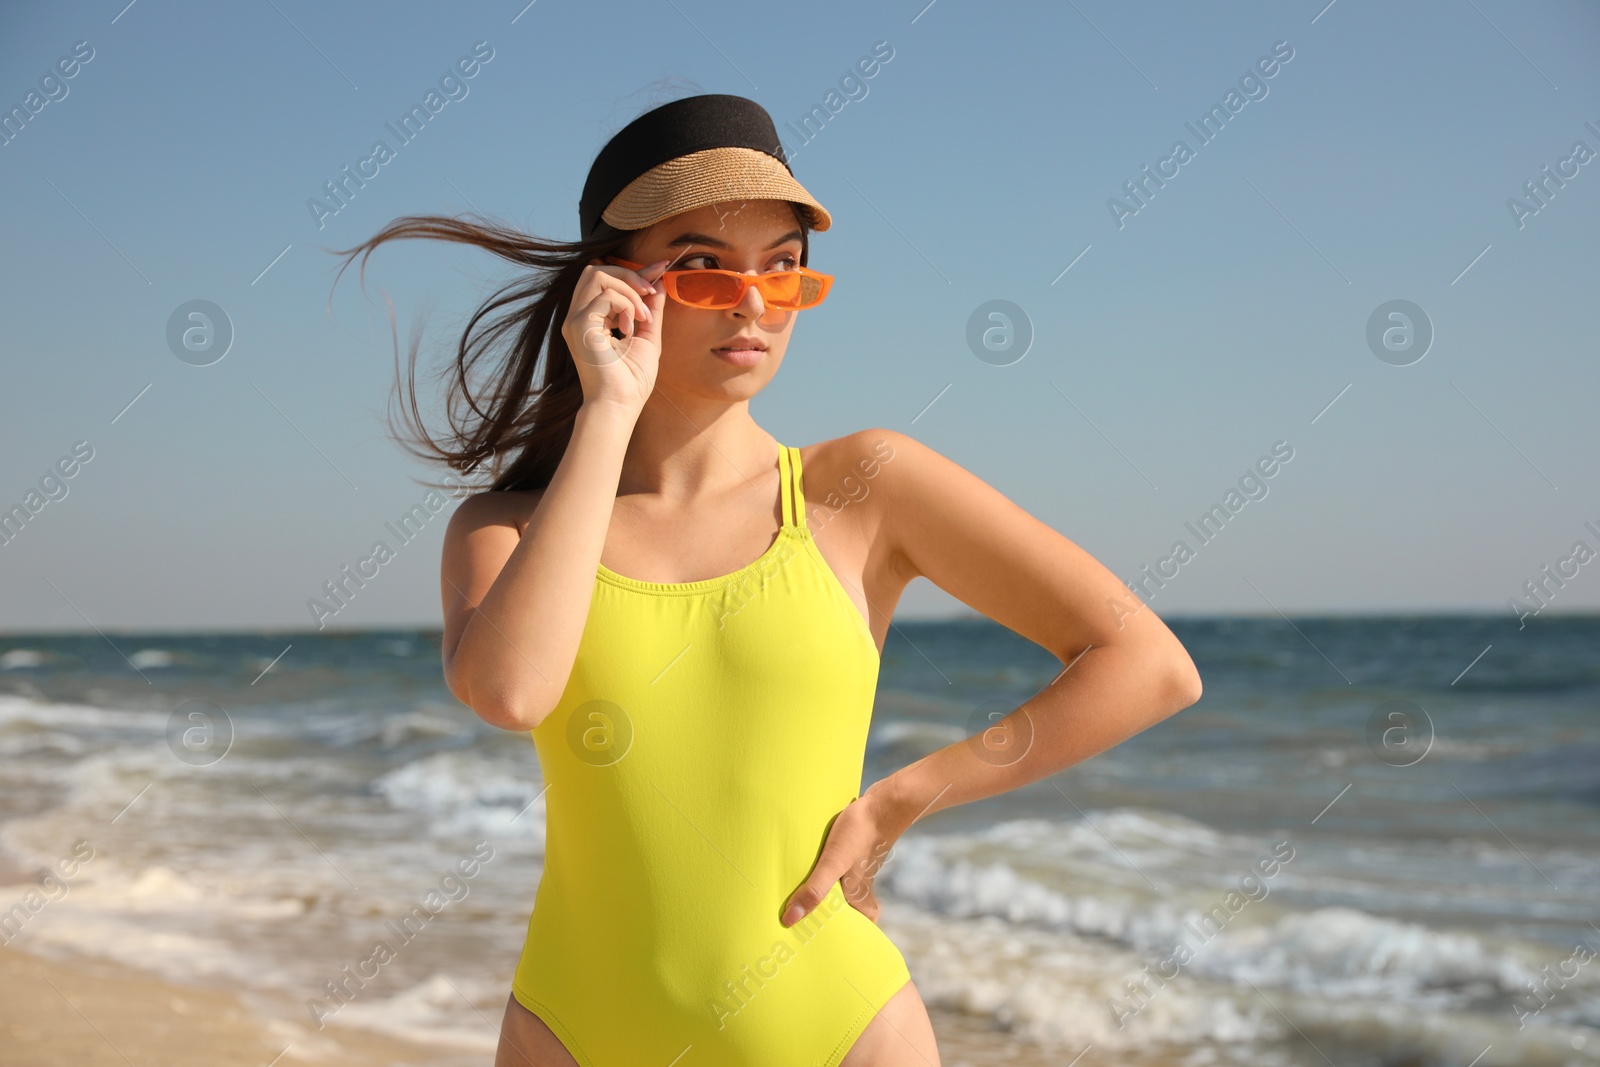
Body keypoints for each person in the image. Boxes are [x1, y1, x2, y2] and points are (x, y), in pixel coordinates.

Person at [329, 93, 1202, 1067]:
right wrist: (607, 412)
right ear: (610, 288)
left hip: (838, 1030)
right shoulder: (507, 529)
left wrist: (909, 793)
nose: (752, 302)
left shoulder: (865, 487)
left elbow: (1148, 662)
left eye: (781, 270)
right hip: (571, 1034)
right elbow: (510, 688)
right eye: (701, 268)